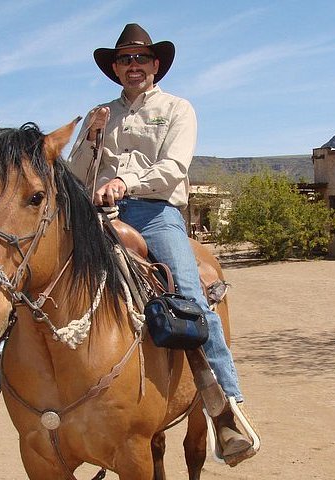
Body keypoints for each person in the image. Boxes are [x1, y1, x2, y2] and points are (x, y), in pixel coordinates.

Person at [67, 23, 256, 467]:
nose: (133, 66)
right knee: (41, 280)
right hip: (97, 215)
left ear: (155, 66)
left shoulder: (177, 108)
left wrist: (123, 181)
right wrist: (90, 137)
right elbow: (77, 173)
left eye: (141, 59)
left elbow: (173, 166)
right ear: (114, 68)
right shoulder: (100, 113)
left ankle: (227, 407)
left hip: (154, 214)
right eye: (124, 60)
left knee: (190, 297)